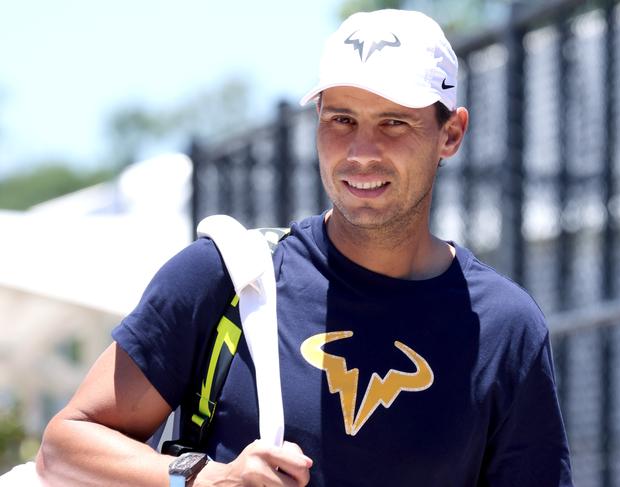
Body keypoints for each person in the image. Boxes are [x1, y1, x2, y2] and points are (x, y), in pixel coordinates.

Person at [36, 9, 573, 487]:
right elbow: (64, 447)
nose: (362, 152)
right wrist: (204, 478)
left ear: (450, 134)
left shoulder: (504, 326)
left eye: (394, 122)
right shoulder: (227, 276)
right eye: (341, 119)